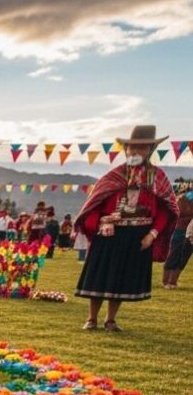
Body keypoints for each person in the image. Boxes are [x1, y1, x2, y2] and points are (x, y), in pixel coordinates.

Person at [75, 125, 178, 331]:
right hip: (109, 233)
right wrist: (101, 223)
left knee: (122, 278)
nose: (135, 152)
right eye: (131, 148)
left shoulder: (157, 177)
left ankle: (110, 319)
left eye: (141, 149)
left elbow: (167, 210)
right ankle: (92, 318)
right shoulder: (113, 177)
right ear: (126, 150)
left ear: (149, 150)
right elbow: (93, 205)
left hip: (138, 236)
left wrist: (152, 234)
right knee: (100, 275)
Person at [162, 188, 193, 288]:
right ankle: (167, 281)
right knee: (175, 254)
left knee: (183, 256)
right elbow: (180, 214)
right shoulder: (184, 198)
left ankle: (172, 281)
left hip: (188, 231)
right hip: (180, 230)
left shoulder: (184, 197)